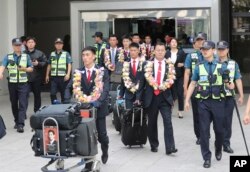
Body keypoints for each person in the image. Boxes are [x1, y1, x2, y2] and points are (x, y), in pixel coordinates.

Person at [185, 40, 235, 168]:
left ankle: (218, 148)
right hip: (203, 102)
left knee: (219, 130)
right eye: (203, 49)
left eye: (207, 49)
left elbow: (230, 85)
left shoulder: (222, 66)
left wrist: (230, 83)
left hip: (219, 102)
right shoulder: (199, 66)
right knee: (204, 131)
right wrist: (186, 100)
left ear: (213, 50)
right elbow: (193, 83)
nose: (204, 51)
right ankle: (206, 157)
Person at [64, 46, 109, 164]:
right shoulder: (78, 72)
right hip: (83, 110)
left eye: (88, 55)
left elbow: (105, 90)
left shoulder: (102, 71)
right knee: (84, 135)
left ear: (94, 56)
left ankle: (105, 150)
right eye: (83, 55)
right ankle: (87, 162)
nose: (85, 57)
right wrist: (67, 101)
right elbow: (69, 88)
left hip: (98, 108)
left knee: (102, 135)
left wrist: (98, 102)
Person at [143, 42, 177, 155]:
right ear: (154, 51)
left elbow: (173, 83)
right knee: (152, 122)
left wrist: (173, 98)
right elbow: (143, 82)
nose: (160, 52)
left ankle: (170, 147)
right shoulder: (148, 64)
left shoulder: (170, 65)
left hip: (165, 97)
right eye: (158, 50)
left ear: (165, 51)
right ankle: (154, 144)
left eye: (162, 50)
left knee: (168, 122)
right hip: (151, 97)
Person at [0, 38, 33, 133]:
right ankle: (17, 120)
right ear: (13, 46)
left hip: (23, 84)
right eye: (16, 45)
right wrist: (1, 73)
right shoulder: (8, 56)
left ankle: (20, 124)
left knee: (23, 104)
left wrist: (25, 69)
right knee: (14, 104)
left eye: (19, 45)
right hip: (12, 84)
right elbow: (2, 66)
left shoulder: (26, 56)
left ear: (21, 46)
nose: (18, 47)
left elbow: (31, 68)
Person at [217, 40, 244, 153]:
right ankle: (218, 142)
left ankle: (226, 143)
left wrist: (241, 95)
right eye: (219, 49)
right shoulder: (212, 62)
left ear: (227, 50)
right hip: (215, 96)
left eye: (223, 49)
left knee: (227, 121)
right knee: (218, 121)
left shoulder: (233, 63)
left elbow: (237, 79)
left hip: (228, 96)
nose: (221, 51)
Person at [183, 32, 207, 145]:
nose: (200, 42)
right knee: (197, 114)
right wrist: (185, 88)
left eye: (202, 40)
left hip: (209, 89)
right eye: (198, 40)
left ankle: (205, 132)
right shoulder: (191, 56)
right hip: (196, 88)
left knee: (209, 114)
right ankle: (199, 135)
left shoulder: (211, 55)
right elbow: (187, 73)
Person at [118, 42, 145, 109]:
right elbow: (123, 80)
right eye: (131, 50)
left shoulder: (144, 63)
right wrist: (121, 94)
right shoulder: (126, 63)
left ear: (138, 51)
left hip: (141, 94)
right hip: (129, 94)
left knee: (140, 117)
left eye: (134, 50)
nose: (133, 52)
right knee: (128, 116)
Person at [45, 38, 72, 104]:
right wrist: (47, 75)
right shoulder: (52, 54)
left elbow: (69, 64)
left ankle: (64, 108)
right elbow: (49, 65)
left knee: (64, 94)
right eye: (57, 44)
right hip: (54, 77)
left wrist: (68, 74)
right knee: (52, 93)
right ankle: (55, 106)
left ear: (62, 45)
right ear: (55, 45)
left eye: (60, 44)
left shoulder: (66, 54)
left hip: (63, 77)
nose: (59, 45)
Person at [25, 36, 47, 112]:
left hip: (36, 77)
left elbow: (45, 63)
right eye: (29, 42)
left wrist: (38, 63)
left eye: (32, 42)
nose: (30, 44)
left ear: (35, 43)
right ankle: (23, 112)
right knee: (24, 96)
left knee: (37, 96)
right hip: (25, 78)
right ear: (26, 44)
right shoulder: (23, 53)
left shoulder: (40, 53)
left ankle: (37, 111)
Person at [166, 38, 186, 118]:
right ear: (169, 44)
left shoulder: (181, 52)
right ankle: (170, 108)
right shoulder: (167, 53)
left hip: (180, 75)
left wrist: (183, 64)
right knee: (171, 93)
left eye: (175, 42)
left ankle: (180, 111)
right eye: (172, 42)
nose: (174, 43)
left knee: (180, 93)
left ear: (177, 44)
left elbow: (186, 62)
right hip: (170, 76)